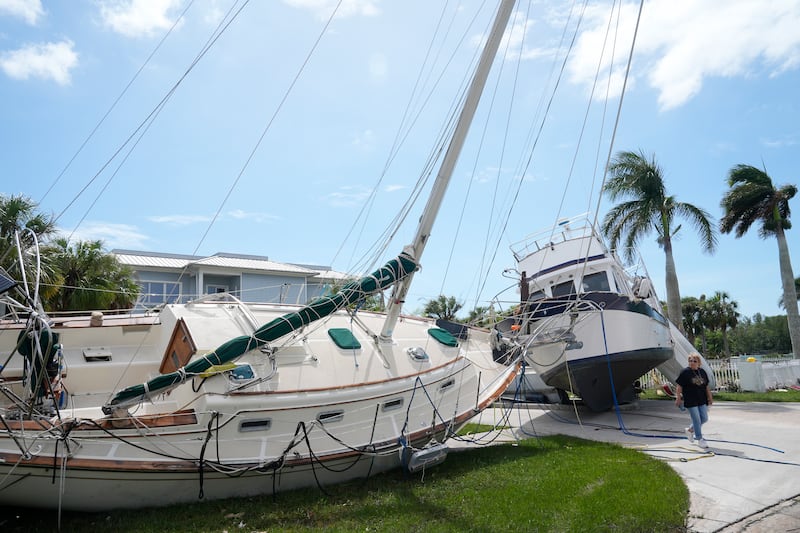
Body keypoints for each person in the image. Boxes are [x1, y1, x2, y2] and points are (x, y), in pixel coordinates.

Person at [675, 353, 713, 448]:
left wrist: (710, 397)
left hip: (701, 399)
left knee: (704, 418)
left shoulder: (702, 372)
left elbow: (706, 386)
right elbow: (679, 386)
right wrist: (678, 397)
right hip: (690, 399)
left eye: (694, 361)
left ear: (699, 363)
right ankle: (700, 439)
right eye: (690, 361)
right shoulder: (685, 372)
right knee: (696, 419)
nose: (692, 362)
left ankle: (690, 430)